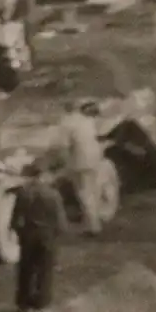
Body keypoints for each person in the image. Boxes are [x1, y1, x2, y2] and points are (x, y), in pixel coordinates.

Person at [11, 159, 69, 312]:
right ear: (45, 174)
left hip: (29, 234)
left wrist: (19, 233)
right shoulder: (53, 194)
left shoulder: (24, 192)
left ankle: (23, 303)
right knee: (45, 270)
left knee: (26, 270)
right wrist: (58, 234)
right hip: (47, 235)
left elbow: (16, 217)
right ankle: (42, 302)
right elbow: (60, 220)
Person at [57, 99, 104, 236]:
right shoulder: (86, 120)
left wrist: (63, 163)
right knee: (92, 189)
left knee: (84, 192)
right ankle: (93, 220)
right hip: (95, 157)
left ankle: (93, 227)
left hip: (80, 160)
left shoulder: (66, 123)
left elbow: (64, 147)